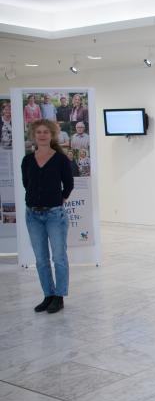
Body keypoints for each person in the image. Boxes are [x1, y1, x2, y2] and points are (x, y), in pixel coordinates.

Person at [21, 120, 74, 314]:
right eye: (38, 132)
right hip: (33, 215)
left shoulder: (60, 159)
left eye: (45, 132)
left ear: (51, 135)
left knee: (59, 257)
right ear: (33, 136)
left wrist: (57, 200)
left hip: (55, 215)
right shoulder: (27, 160)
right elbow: (27, 184)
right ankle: (48, 295)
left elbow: (68, 185)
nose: (42, 135)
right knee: (41, 259)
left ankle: (59, 296)